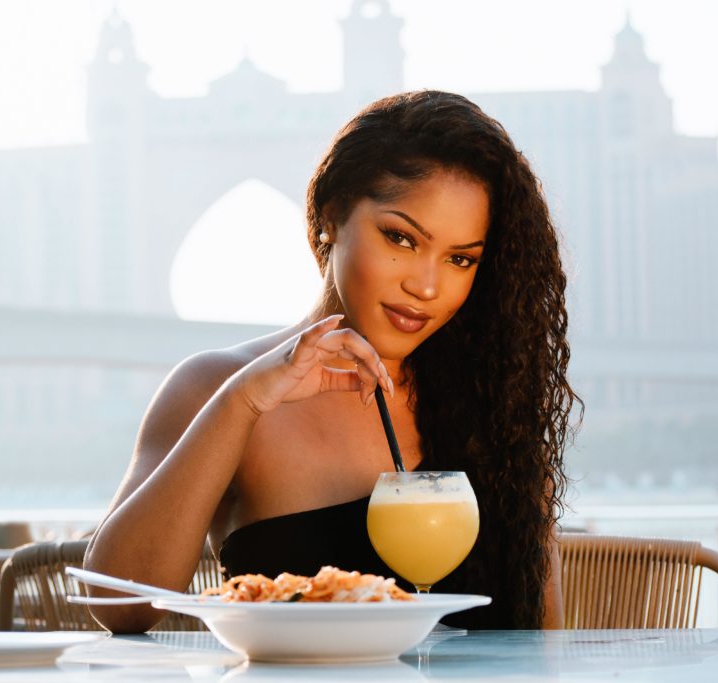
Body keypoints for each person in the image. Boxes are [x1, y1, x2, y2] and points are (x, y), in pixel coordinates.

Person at [85, 90, 580, 632]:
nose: (427, 286)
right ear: (332, 214)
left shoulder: (493, 401)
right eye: (401, 238)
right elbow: (116, 605)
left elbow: (541, 638)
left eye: (460, 259)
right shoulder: (220, 386)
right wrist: (243, 404)